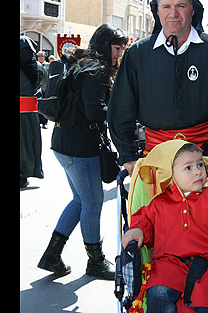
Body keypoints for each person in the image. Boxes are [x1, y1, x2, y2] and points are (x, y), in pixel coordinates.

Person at [108, 0, 208, 175]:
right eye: (166, 6)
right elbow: (121, 107)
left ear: (192, 10)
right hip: (155, 160)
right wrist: (128, 155)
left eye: (181, 6)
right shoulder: (138, 53)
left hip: (205, 160)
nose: (173, 13)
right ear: (158, 11)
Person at [37, 24, 128, 280]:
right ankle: (96, 261)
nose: (119, 53)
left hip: (65, 142)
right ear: (105, 44)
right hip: (79, 146)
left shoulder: (84, 64)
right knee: (92, 201)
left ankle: (52, 255)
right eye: (117, 48)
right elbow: (94, 112)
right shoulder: (96, 71)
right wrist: (122, 114)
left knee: (80, 199)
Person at [121, 140, 208, 313]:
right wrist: (138, 229)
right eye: (188, 168)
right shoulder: (160, 202)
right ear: (171, 175)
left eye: (200, 165)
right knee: (158, 293)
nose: (198, 172)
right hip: (169, 264)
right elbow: (145, 220)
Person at [20, 35, 44, 188]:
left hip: (27, 108)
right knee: (29, 145)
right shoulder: (38, 67)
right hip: (30, 110)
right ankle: (24, 174)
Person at [36, 51, 49, 129]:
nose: (40, 57)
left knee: (44, 106)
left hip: (45, 88)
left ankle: (44, 122)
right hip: (37, 88)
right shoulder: (34, 65)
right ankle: (38, 122)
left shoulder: (48, 65)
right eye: (39, 56)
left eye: (42, 56)